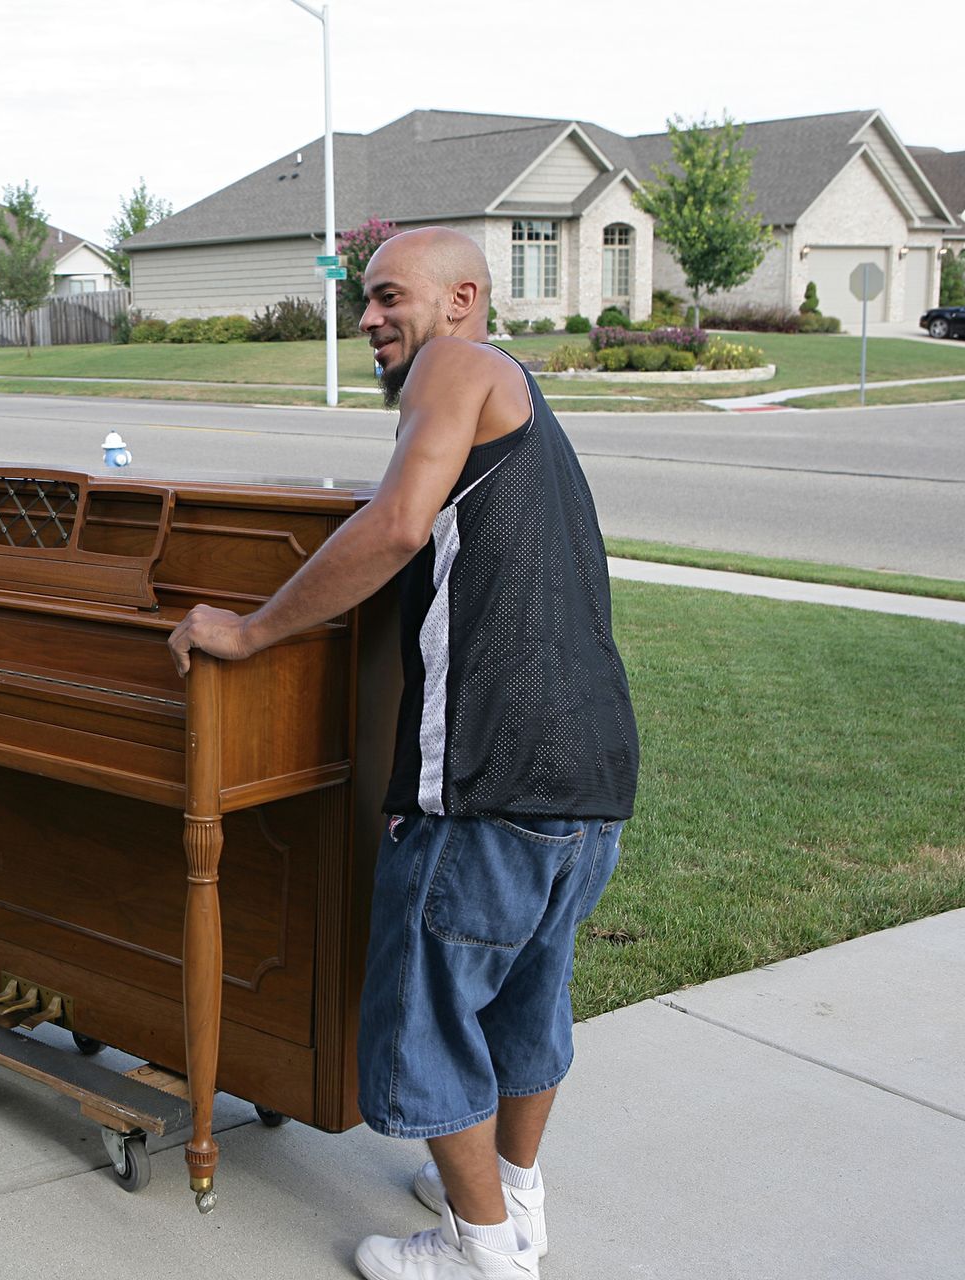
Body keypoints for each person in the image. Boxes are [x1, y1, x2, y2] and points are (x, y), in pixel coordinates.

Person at [168, 227, 637, 1280]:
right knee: (526, 995)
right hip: (590, 774)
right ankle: (515, 1200)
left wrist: (245, 632)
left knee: (425, 1010)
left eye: (389, 298)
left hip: (485, 775)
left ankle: (478, 1252)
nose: (371, 319)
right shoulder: (518, 394)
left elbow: (392, 526)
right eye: (364, 302)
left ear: (463, 298)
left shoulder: (455, 364)